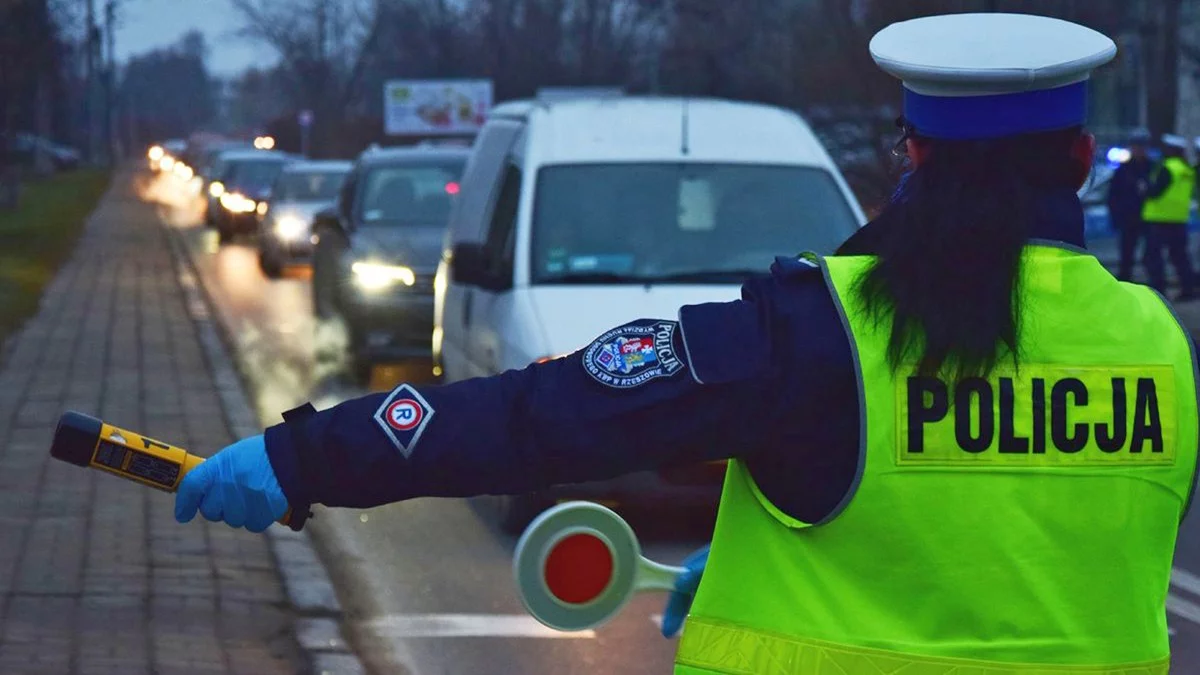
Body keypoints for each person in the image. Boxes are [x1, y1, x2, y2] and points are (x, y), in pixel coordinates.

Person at [174, 13, 1199, 673]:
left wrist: (302, 455)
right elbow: (1024, 522)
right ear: (1076, 159)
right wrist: (805, 524)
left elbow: (545, 416)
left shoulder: (817, 327)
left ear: (913, 153)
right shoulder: (1158, 343)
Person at [1143, 134, 1198, 300]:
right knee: (1180, 257)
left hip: (1159, 219)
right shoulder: (1187, 169)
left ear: (1171, 150)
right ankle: (1188, 290)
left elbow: (1154, 192)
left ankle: (1158, 291)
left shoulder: (1167, 167)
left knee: (1153, 257)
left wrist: (1144, 189)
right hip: (1179, 219)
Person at [1107, 129, 1154, 281]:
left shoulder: (1152, 167)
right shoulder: (1124, 169)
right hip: (1128, 217)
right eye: (1136, 146)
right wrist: (1115, 216)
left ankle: (1156, 283)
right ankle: (1125, 281)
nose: (1139, 150)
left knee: (1152, 254)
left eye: (1142, 146)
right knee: (1127, 254)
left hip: (1149, 218)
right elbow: (1113, 195)